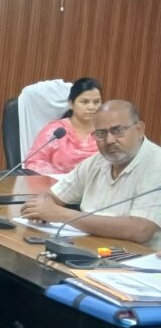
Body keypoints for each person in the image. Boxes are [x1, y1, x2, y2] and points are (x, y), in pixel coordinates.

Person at [20, 100, 161, 246]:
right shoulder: (95, 163)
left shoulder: (156, 164)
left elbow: (140, 230)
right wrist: (41, 206)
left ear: (139, 129)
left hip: (136, 256)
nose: (109, 140)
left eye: (117, 131)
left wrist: (60, 214)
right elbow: (51, 195)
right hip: (90, 248)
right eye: (101, 133)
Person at [24, 78, 103, 175]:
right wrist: (65, 178)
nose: (91, 107)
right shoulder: (57, 131)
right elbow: (33, 162)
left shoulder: (106, 132)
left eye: (96, 102)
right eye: (84, 102)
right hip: (59, 183)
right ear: (71, 104)